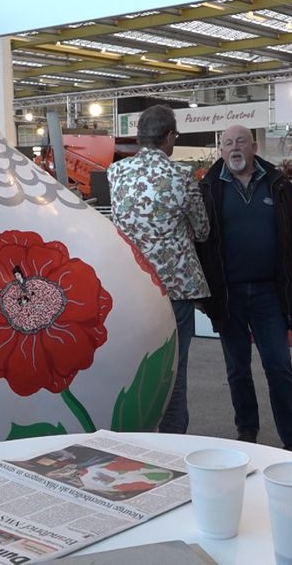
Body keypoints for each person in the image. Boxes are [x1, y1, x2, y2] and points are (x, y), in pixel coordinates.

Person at [196, 124, 292, 460]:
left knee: (279, 366)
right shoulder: (208, 188)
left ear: (253, 147)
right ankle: (247, 433)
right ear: (220, 150)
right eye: (227, 143)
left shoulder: (278, 185)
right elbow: (201, 245)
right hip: (229, 295)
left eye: (240, 142)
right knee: (237, 369)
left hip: (270, 293)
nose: (234, 148)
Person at [107, 104, 209, 434]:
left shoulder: (116, 173)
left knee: (137, 365)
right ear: (168, 137)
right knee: (174, 369)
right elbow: (203, 229)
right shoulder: (182, 175)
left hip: (133, 285)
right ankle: (173, 439)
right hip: (176, 287)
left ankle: (136, 434)